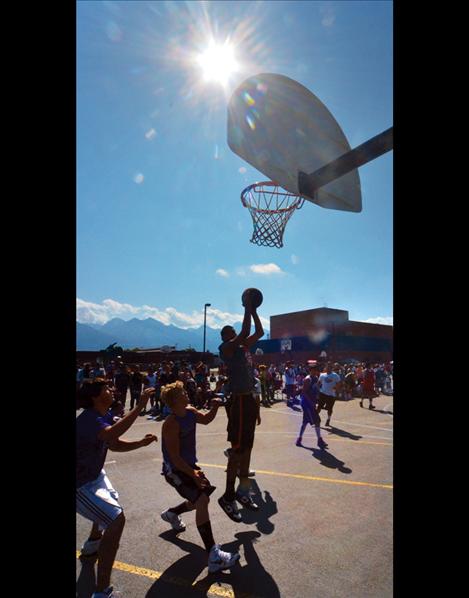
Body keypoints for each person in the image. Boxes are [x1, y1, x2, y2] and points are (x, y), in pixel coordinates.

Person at [76, 379, 157, 598]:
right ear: (95, 397)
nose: (111, 390)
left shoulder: (103, 416)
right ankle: (101, 591)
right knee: (116, 519)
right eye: (106, 389)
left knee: (110, 500)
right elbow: (111, 435)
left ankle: (93, 542)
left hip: (95, 475)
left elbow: (115, 444)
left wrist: (140, 443)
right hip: (80, 485)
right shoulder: (88, 420)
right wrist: (139, 407)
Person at [160, 381, 240, 573]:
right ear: (174, 400)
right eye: (183, 393)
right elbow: (174, 458)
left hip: (188, 466)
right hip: (176, 470)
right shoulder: (170, 424)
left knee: (199, 501)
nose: (187, 394)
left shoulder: (190, 412)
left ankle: (172, 513)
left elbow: (205, 420)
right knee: (202, 499)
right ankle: (213, 556)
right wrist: (193, 474)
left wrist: (214, 407)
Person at [217, 294, 264, 521]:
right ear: (225, 338)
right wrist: (247, 306)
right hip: (238, 401)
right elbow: (245, 332)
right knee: (237, 449)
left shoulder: (243, 346)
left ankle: (242, 492)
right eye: (229, 333)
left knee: (247, 449)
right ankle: (227, 495)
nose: (233, 334)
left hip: (250, 401)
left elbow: (260, 332)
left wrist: (254, 310)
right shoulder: (226, 348)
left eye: (232, 332)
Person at [296, 364, 328, 449]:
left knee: (305, 422)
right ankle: (319, 440)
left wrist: (318, 398)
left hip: (310, 403)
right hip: (306, 404)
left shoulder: (316, 378)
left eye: (316, 370)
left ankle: (299, 439)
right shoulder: (308, 379)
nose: (315, 371)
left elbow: (316, 389)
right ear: (310, 371)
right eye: (313, 370)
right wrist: (311, 402)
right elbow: (303, 392)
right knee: (317, 420)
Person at [317, 362, 342, 427]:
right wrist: (318, 390)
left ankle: (328, 419)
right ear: (325, 368)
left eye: (330, 367)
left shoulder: (335, 375)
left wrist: (336, 388)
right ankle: (316, 419)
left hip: (331, 395)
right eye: (327, 367)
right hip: (323, 393)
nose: (328, 368)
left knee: (330, 409)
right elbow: (318, 383)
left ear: (332, 368)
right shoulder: (322, 375)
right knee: (319, 407)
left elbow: (339, 383)